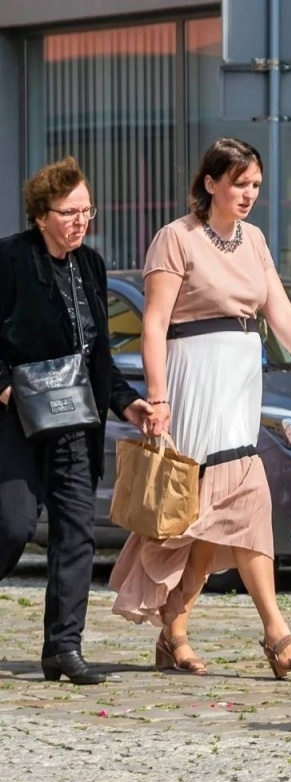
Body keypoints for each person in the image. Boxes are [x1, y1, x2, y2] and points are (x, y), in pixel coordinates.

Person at [109, 137, 291, 680]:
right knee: (193, 516)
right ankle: (181, 630)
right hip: (193, 378)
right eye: (239, 183)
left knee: (243, 505)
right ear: (211, 183)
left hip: (239, 381)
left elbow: (279, 311)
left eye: (256, 184)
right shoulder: (176, 238)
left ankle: (272, 635)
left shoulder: (255, 240)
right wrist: (159, 396)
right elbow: (154, 324)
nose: (249, 194)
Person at [0, 157, 154, 685]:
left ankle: (63, 647)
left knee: (75, 534)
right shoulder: (10, 259)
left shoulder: (90, 264)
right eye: (69, 212)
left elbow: (99, 358)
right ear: (41, 213)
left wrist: (129, 405)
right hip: (16, 420)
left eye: (86, 210)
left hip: (76, 422)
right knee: (12, 523)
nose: (80, 221)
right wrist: (5, 386)